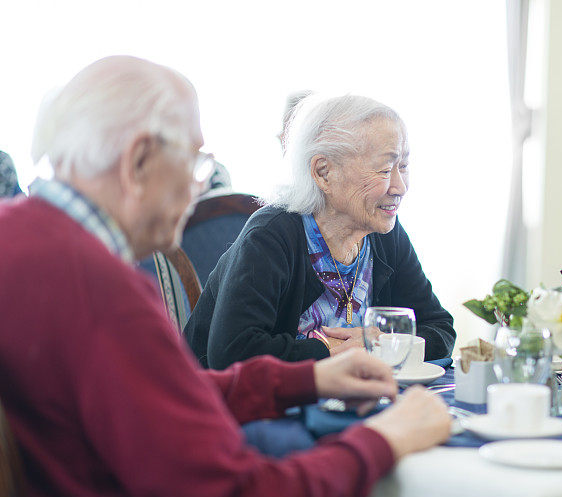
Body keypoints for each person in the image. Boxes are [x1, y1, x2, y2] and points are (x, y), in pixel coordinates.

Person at [0, 56, 451, 497]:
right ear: (138, 161)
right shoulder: (103, 292)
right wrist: (384, 440)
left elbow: (166, 395)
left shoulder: (20, 239)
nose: (199, 187)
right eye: (196, 161)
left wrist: (309, 381)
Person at [185, 94, 456, 369]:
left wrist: (379, 344)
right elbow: (233, 354)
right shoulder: (271, 236)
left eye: (404, 166)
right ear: (324, 172)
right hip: (235, 408)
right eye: (385, 169)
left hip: (348, 404)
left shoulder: (385, 235)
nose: (399, 186)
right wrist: (329, 350)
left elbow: (440, 327)